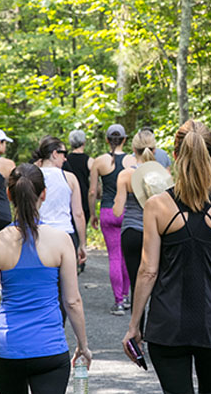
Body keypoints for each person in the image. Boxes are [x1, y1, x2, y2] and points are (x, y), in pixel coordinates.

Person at [123, 120, 211, 394]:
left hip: (167, 324)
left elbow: (148, 271)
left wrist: (134, 325)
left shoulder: (156, 206)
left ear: (174, 155)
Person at [0, 163, 91, 394]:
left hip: (7, 352)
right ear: (43, 194)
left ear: (9, 194)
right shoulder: (62, 241)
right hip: (50, 350)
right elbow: (72, 301)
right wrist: (83, 346)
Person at [113, 129, 173, 327]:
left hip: (131, 232)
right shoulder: (164, 176)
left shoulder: (125, 175)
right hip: (156, 232)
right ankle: (157, 330)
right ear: (154, 150)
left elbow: (117, 211)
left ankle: (137, 331)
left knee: (136, 282)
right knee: (157, 280)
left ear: (133, 149)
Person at [89, 123, 135, 315]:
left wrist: (92, 214)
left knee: (114, 256)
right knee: (126, 256)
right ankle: (125, 297)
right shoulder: (133, 160)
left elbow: (92, 191)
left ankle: (117, 302)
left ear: (107, 140)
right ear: (125, 139)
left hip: (108, 211)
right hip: (127, 211)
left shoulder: (99, 162)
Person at [33, 136, 87, 266]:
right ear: (55, 154)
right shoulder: (70, 178)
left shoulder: (32, 176)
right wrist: (82, 244)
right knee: (67, 282)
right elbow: (78, 213)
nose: (66, 158)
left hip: (39, 235)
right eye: (64, 153)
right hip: (65, 235)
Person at [63, 129, 92, 273]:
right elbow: (94, 182)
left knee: (69, 228)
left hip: (68, 197)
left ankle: (71, 256)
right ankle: (80, 253)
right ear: (84, 142)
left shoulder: (64, 159)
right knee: (81, 226)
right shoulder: (89, 160)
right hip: (84, 198)